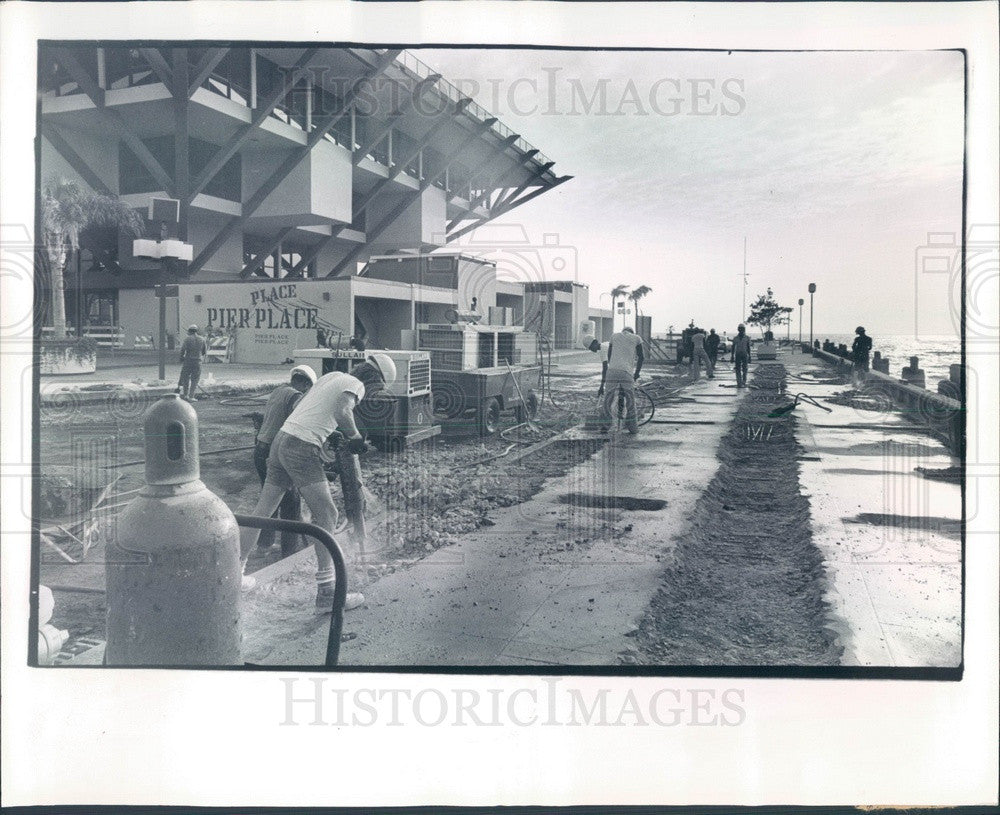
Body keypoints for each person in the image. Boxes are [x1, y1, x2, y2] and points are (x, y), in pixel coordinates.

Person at [239, 353, 397, 612]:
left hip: (281, 440)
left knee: (262, 511)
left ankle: (237, 575)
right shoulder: (355, 385)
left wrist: (324, 439)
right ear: (374, 380)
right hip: (299, 446)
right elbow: (342, 411)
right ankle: (326, 594)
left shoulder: (331, 377)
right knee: (327, 515)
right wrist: (355, 437)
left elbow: (311, 410)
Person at [250, 365, 317, 555]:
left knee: (269, 500)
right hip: (276, 453)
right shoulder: (296, 396)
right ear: (305, 384)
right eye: (309, 389)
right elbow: (298, 426)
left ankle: (264, 545)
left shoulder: (278, 391)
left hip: (260, 451)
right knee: (291, 503)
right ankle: (290, 552)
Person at [599, 327, 644, 434]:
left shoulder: (614, 336)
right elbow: (641, 357)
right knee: (630, 400)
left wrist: (614, 367)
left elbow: (609, 355)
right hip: (626, 372)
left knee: (608, 399)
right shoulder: (637, 338)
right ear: (632, 333)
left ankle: (605, 426)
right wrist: (636, 373)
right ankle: (633, 428)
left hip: (612, 371)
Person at [177, 325, 206, 401]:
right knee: (195, 379)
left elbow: (183, 350)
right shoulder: (202, 339)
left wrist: (181, 358)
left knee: (185, 378)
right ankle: (191, 396)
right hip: (198, 361)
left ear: (189, 331)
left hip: (188, 361)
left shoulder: (187, 339)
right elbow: (204, 352)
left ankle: (185, 395)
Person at [730, 323, 752, 388]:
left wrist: (749, 356)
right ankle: (739, 383)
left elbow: (748, 347)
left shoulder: (747, 338)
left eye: (743, 329)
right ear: (738, 329)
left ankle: (744, 382)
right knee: (737, 369)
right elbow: (733, 347)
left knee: (745, 368)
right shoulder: (735, 338)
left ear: (744, 329)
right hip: (738, 355)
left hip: (745, 355)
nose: (742, 330)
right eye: (740, 329)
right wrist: (732, 356)